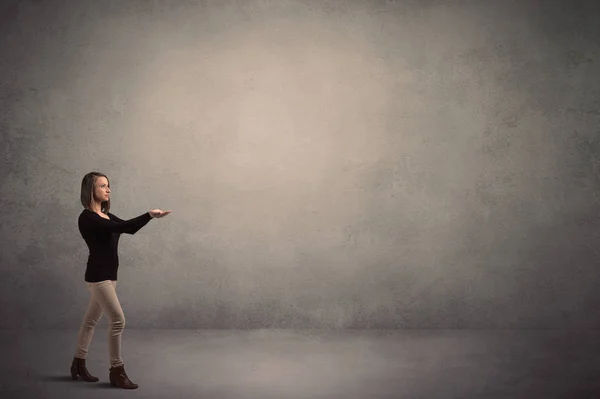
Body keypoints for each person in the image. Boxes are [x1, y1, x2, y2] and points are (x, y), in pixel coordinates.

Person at [70, 172, 171, 389]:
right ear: (90, 189)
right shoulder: (87, 218)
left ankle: (78, 363)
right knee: (118, 321)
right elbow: (122, 228)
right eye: (102, 186)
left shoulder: (108, 216)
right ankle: (117, 371)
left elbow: (129, 227)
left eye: (108, 186)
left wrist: (151, 217)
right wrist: (148, 215)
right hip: (98, 277)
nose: (108, 190)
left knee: (90, 322)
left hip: (109, 276)